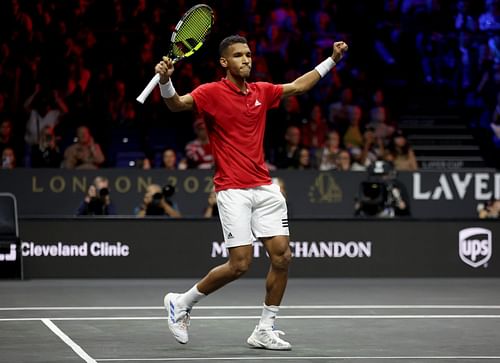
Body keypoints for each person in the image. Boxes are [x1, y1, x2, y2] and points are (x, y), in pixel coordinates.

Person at [154, 34, 348, 350]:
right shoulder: (210, 92)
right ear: (224, 62)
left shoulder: (260, 91)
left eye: (248, 54)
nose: (246, 59)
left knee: (283, 257)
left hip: (264, 186)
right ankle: (181, 302)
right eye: (239, 55)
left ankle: (264, 329)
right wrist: (165, 82)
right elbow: (176, 104)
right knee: (240, 264)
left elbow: (298, 86)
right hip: (232, 189)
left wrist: (333, 60)